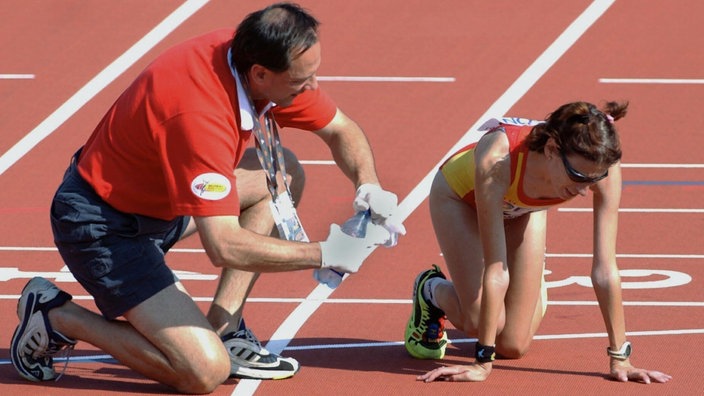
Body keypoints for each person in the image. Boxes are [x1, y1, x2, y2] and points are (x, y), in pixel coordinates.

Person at [10, 3, 403, 394]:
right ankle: (58, 315)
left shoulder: (254, 58)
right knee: (202, 372)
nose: (312, 88)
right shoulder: (200, 115)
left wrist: (369, 185)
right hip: (104, 227)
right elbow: (225, 245)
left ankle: (225, 328)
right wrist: (326, 253)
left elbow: (341, 129)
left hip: (160, 204)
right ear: (261, 75)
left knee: (282, 172)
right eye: (303, 80)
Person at [404, 101, 672, 384]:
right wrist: (482, 362)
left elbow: (605, 269)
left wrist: (621, 358)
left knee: (513, 346)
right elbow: (497, 269)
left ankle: (529, 292)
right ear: (552, 150)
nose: (584, 190)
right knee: (484, 322)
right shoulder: (497, 159)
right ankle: (430, 289)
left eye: (594, 179)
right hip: (461, 199)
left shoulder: (600, 165)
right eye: (578, 177)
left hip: (524, 208)